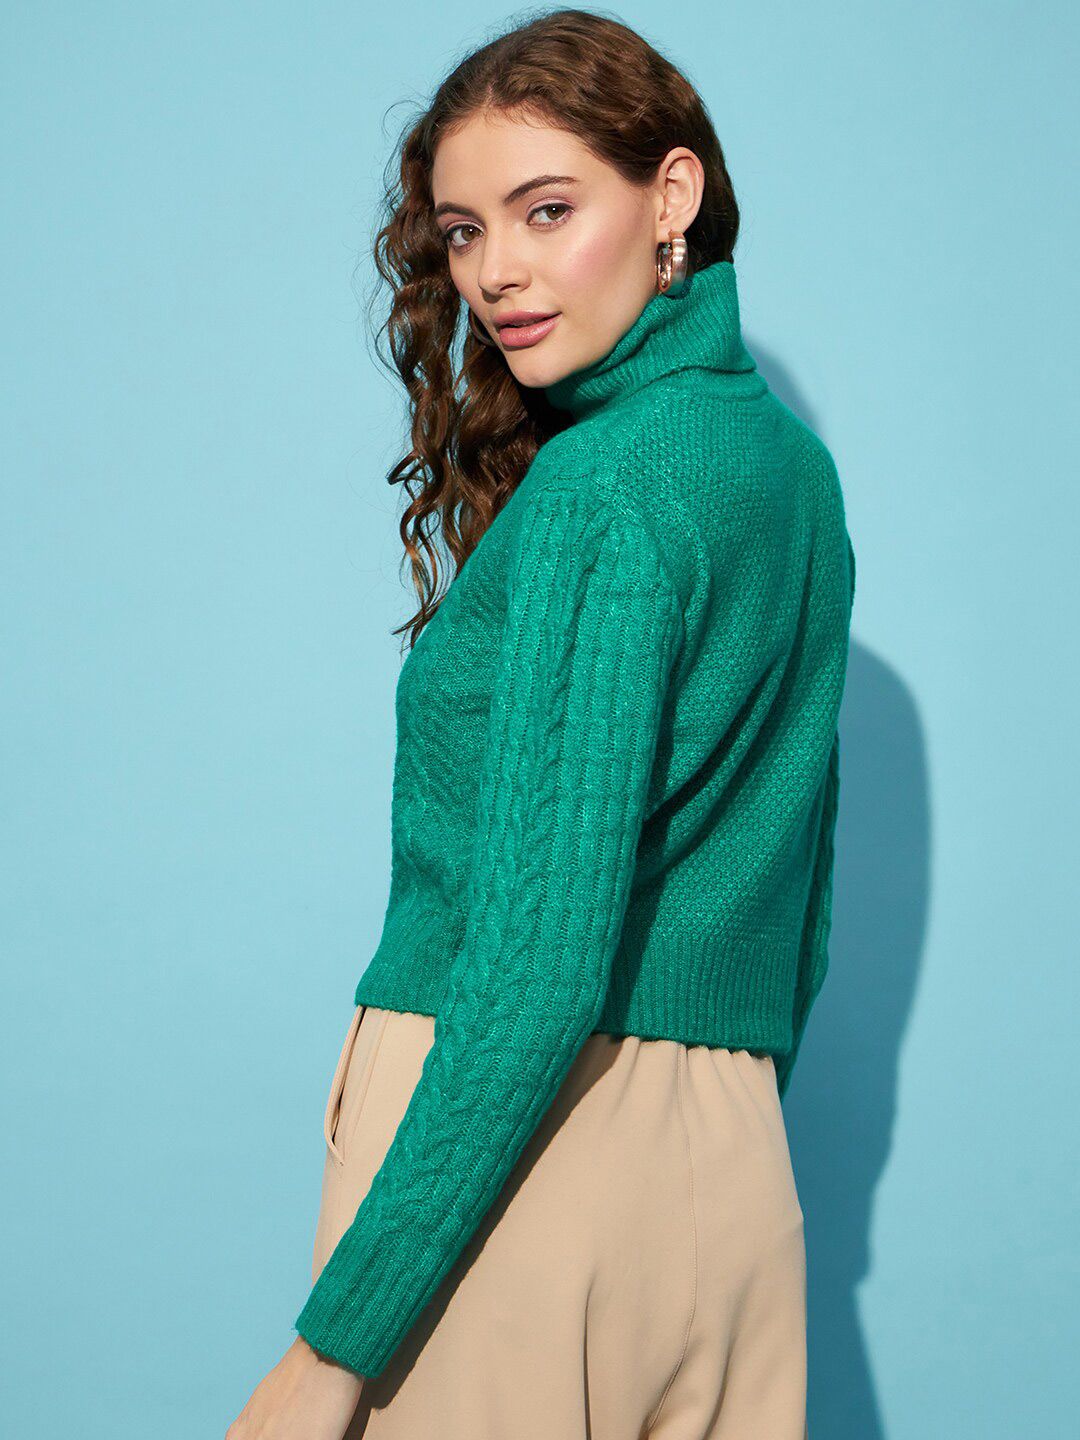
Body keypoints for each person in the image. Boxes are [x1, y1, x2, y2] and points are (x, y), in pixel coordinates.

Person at [227, 10, 855, 1439]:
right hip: (734, 1176)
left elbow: (537, 968)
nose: (495, 271)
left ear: (673, 195)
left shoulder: (601, 490)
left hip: (508, 1165)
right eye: (463, 232)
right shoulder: (796, 475)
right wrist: (704, 1121)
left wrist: (333, 1352)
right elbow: (803, 899)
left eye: (546, 210)